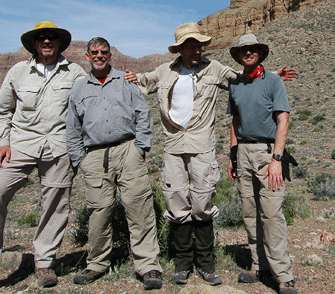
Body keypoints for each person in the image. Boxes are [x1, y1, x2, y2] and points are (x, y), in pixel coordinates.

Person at [124, 22, 296, 286]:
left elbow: (243, 78)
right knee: (176, 203)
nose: (196, 50)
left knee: (203, 204)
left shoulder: (214, 68)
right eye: (190, 46)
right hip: (173, 146)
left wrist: (272, 75)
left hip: (203, 146)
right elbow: (142, 82)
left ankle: (206, 264)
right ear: (179, 49)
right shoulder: (165, 71)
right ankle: (182, 265)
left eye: (199, 46)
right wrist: (127, 77)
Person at [0, 21, 86, 294]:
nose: (46, 42)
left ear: (59, 42)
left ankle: (44, 263)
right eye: (41, 38)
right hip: (20, 145)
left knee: (56, 203)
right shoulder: (18, 72)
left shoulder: (74, 73)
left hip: (59, 147)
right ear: (34, 43)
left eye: (51, 38)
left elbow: (90, 103)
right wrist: (2, 143)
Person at [66, 37, 163, 290]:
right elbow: (72, 128)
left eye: (104, 52)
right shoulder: (78, 88)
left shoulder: (125, 81)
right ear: (87, 56)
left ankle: (148, 265)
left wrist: (141, 147)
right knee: (99, 211)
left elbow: (143, 113)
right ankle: (97, 264)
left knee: (138, 207)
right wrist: (81, 160)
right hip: (94, 156)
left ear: (110, 56)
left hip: (128, 149)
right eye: (94, 52)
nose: (99, 55)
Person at [227, 34, 297, 294]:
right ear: (239, 55)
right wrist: (232, 156)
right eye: (244, 50)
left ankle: (284, 275)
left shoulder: (274, 81)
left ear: (259, 52)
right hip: (243, 152)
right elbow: (235, 122)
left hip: (267, 154)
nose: (248, 53)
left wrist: (277, 159)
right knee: (249, 213)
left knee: (271, 214)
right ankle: (260, 266)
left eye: (253, 49)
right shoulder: (236, 83)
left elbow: (283, 119)